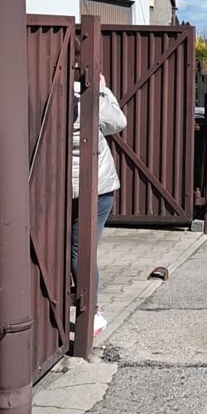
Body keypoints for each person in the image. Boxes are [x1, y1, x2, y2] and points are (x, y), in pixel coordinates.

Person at [71, 75, 127, 337]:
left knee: (76, 251)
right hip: (97, 187)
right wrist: (103, 89)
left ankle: (86, 306)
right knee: (83, 252)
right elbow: (117, 122)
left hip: (67, 188)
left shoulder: (51, 96)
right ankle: (90, 312)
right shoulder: (86, 98)